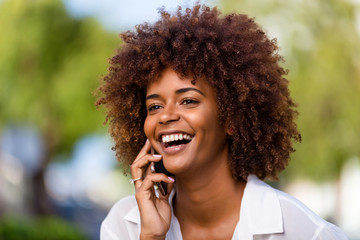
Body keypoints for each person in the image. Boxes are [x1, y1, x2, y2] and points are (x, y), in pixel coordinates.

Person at [96, 4, 348, 240]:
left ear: (231, 117)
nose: (165, 116)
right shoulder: (124, 225)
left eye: (188, 101)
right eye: (155, 106)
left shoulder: (306, 232)